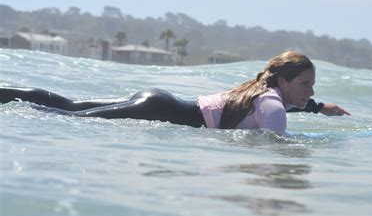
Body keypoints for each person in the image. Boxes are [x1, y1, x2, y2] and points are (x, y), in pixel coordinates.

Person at [0, 51, 350, 135]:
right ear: (285, 82)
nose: (311, 90)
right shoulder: (272, 106)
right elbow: (276, 145)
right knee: (66, 118)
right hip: (157, 111)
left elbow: (271, 111)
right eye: (306, 84)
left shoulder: (261, 92)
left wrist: (317, 107)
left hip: (158, 100)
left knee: (67, 105)